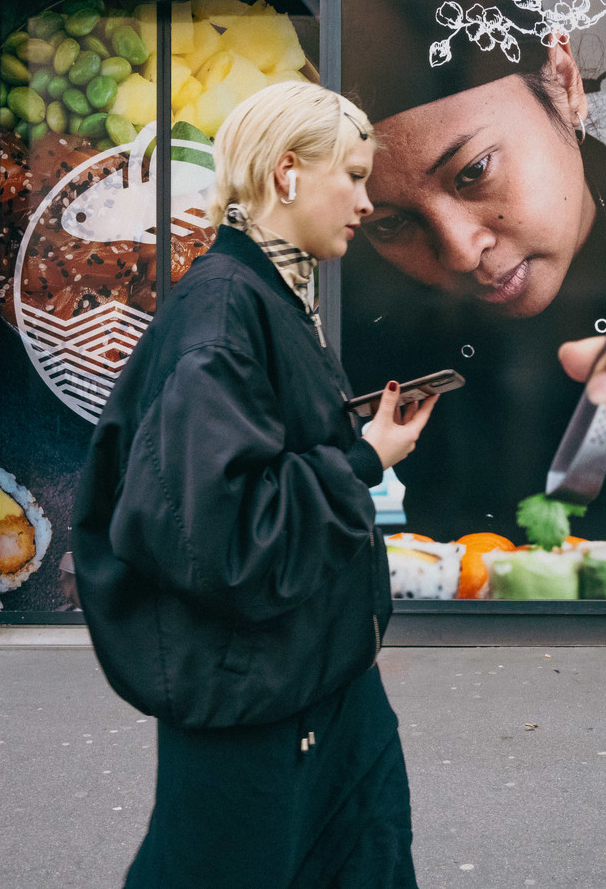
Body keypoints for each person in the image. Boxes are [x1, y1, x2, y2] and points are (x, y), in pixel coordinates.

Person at [71, 82, 436, 888]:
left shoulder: (269, 294)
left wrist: (356, 439)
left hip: (309, 680)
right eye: (353, 175)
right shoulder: (224, 312)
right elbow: (223, 534)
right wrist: (366, 459)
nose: (368, 202)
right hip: (258, 702)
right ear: (285, 174)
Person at [340, 0, 606, 545]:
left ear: (564, 82)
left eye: (475, 171)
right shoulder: (373, 334)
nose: (460, 253)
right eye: (389, 224)